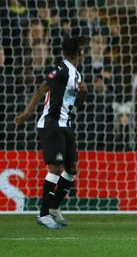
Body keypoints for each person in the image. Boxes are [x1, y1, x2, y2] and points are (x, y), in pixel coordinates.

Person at [14, 37, 88, 229]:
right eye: (83, 49)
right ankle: (44, 214)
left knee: (72, 169)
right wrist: (27, 113)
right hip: (51, 124)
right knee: (55, 167)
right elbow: (43, 87)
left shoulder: (77, 75)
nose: (84, 52)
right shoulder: (61, 69)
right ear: (78, 52)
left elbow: (78, 105)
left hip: (66, 124)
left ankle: (54, 208)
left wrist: (84, 93)